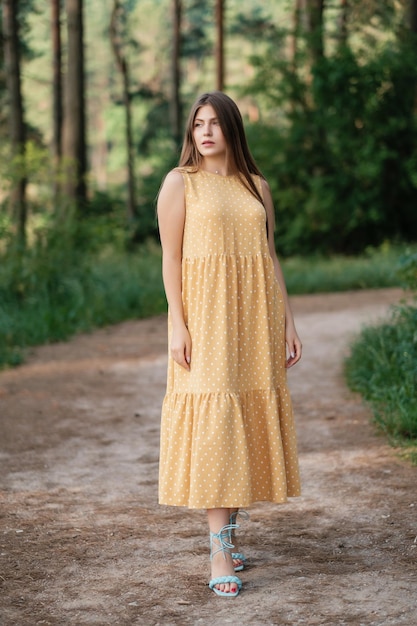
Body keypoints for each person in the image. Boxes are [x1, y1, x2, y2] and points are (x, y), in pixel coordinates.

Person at [157, 91, 302, 598]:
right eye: (198, 123)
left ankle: (230, 533)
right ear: (190, 132)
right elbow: (170, 260)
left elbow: (270, 257)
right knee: (218, 420)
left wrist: (287, 321)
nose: (206, 132)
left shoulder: (255, 185)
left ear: (233, 129)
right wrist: (178, 323)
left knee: (243, 415)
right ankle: (218, 548)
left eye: (216, 123)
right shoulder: (181, 184)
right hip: (207, 317)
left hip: (255, 318)